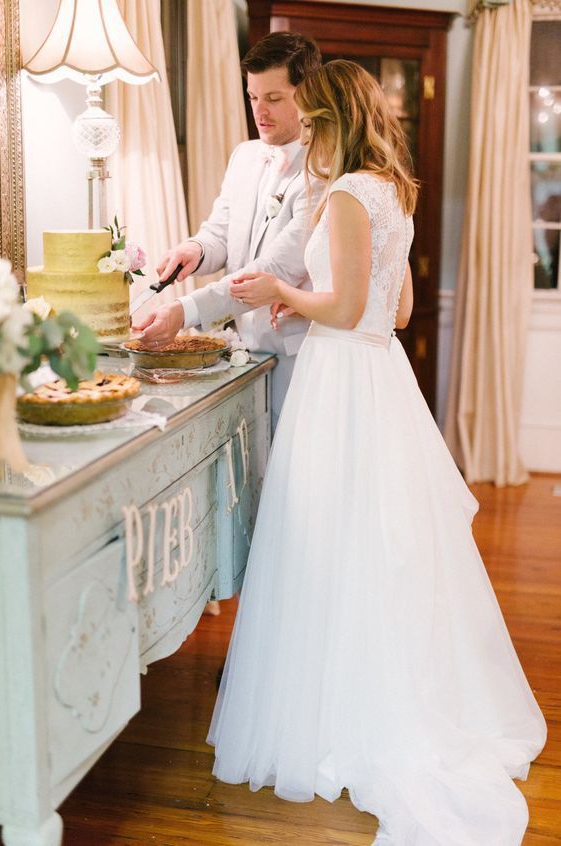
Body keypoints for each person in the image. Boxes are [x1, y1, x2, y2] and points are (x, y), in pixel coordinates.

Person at [207, 60, 547, 845]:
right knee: (375, 545)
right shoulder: (396, 191)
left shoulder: (351, 194)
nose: (304, 138)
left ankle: (339, 703)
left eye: (311, 122)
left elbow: (354, 305)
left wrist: (284, 296)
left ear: (331, 121)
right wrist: (315, 310)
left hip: (341, 389)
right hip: (376, 376)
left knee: (329, 543)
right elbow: (395, 312)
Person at [133, 31, 322, 430]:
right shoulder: (245, 155)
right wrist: (195, 250)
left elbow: (276, 269)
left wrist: (184, 311)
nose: (259, 111)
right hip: (240, 350)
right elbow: (220, 230)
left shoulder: (322, 168)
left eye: (273, 98)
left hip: (297, 355)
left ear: (307, 94)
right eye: (253, 97)